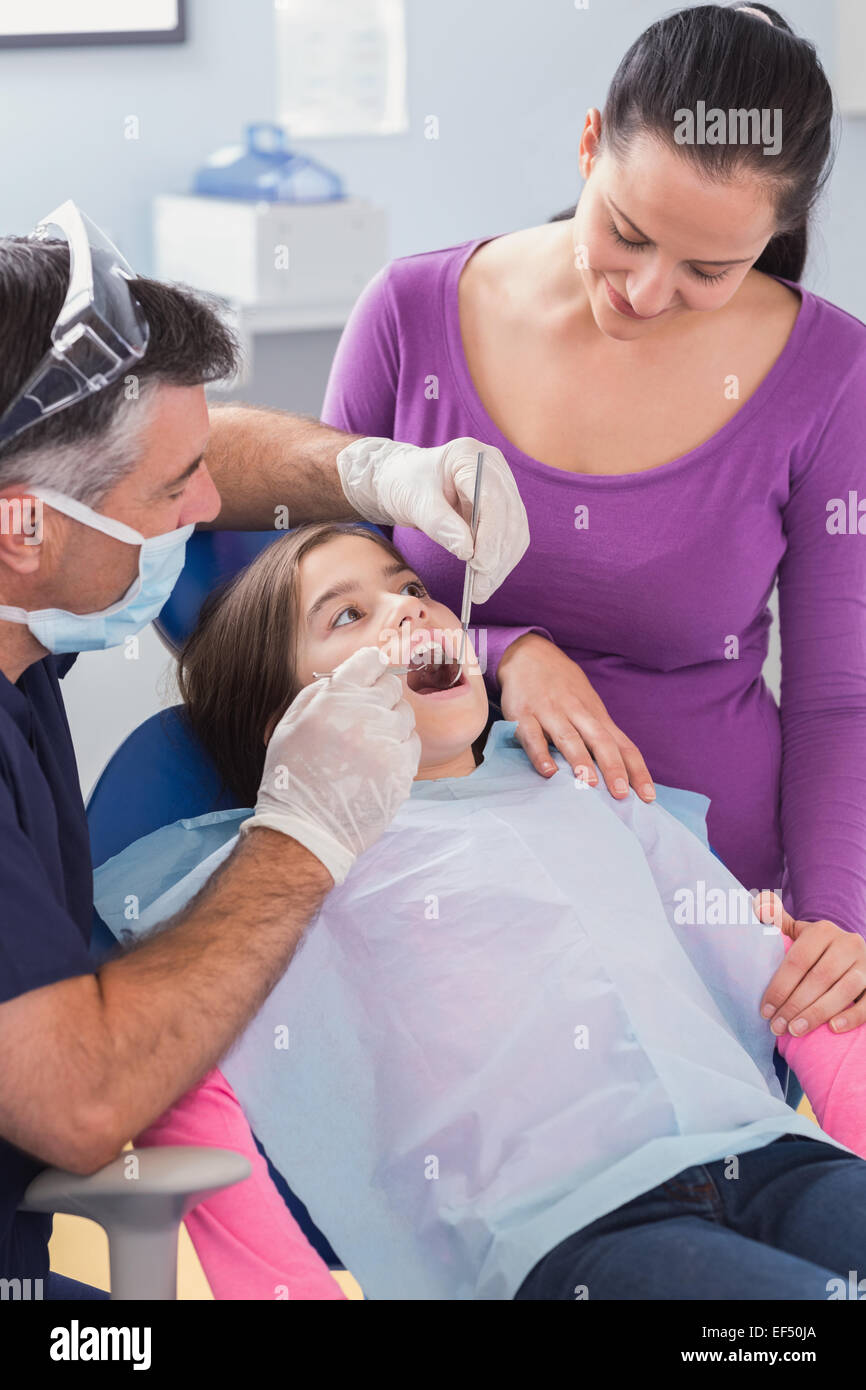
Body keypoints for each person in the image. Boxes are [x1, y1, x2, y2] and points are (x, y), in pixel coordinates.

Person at [93, 523, 866, 1301]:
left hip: (774, 1158)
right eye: (346, 617)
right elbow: (183, 1089)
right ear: (286, 727)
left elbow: (795, 986)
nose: (407, 612)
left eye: (411, 589)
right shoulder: (275, 883)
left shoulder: (592, 793)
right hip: (567, 1233)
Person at [0, 206, 529, 1295]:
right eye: (169, 493)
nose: (209, 509)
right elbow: (83, 1104)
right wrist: (301, 833)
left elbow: (189, 452)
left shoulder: (23, 608)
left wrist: (385, 476)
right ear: (26, 527)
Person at [298, 5, 866, 972]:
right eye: (628, 232)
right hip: (430, 894)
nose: (646, 292)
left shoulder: (833, 375)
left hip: (708, 904)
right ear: (590, 143)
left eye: (709, 269)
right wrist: (504, 652)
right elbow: (303, 611)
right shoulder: (410, 313)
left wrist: (836, 924)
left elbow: (837, 701)